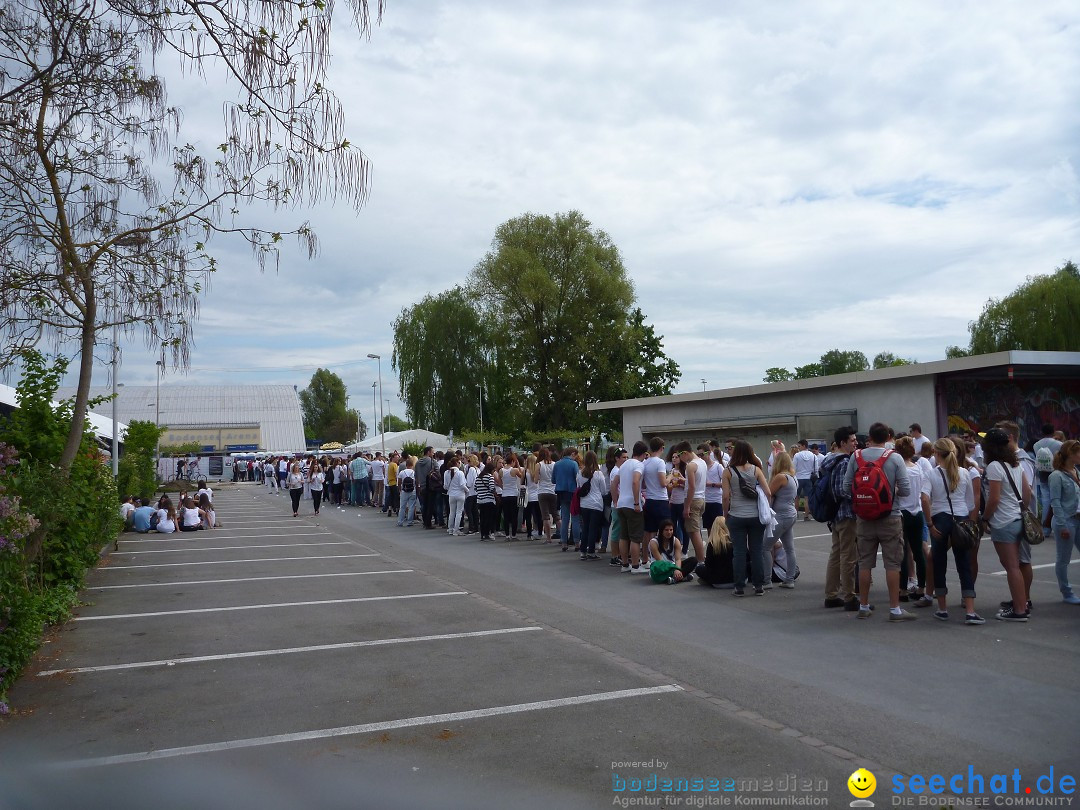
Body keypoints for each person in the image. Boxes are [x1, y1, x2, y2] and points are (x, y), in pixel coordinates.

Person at [842, 421, 915, 621]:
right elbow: (906, 490)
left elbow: (846, 487)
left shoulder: (856, 457)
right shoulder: (895, 458)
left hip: (864, 517)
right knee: (892, 564)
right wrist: (891, 493)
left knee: (865, 562)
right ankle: (894, 609)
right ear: (888, 438)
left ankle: (863, 606)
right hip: (890, 516)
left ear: (869, 438)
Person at [922, 439, 982, 624]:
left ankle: (942, 608)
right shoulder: (964, 473)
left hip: (940, 519)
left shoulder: (932, 474)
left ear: (936, 453)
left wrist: (929, 523)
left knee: (939, 563)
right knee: (964, 564)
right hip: (961, 518)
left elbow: (924, 498)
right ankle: (970, 610)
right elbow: (971, 502)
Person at [980, 428, 1033, 622]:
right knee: (1016, 565)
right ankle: (1022, 603)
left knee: (1011, 567)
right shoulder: (1015, 464)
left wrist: (985, 517)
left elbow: (993, 499)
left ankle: (1019, 609)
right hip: (1018, 518)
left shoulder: (994, 466)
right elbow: (1027, 492)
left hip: (1003, 521)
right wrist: (1022, 510)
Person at [723, 439, 771, 596]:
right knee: (756, 551)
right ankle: (758, 585)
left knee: (739, 552)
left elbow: (725, 497)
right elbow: (768, 492)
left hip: (736, 515)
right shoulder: (756, 470)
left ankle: (739, 586)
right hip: (756, 516)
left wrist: (725, 514)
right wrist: (766, 507)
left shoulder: (728, 471)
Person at [894, 437, 931, 605]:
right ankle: (922, 587)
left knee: (901, 552)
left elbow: (898, 490)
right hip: (917, 511)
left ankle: (902, 589)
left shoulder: (899, 469)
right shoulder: (917, 468)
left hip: (902, 511)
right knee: (918, 552)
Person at [1049, 440, 1080, 604]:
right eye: (1079, 453)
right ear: (1071, 454)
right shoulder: (1056, 476)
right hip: (1066, 520)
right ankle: (1066, 592)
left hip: (1078, 519)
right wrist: (1061, 525)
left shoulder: (1076, 471)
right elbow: (1055, 502)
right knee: (1063, 559)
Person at [615, 441, 649, 574]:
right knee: (635, 537)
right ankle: (635, 566)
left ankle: (625, 564)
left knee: (624, 536)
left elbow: (614, 484)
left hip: (621, 503)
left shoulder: (623, 465)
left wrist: (616, 501)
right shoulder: (639, 465)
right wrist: (636, 502)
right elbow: (636, 481)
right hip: (632, 504)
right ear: (644, 453)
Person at [768, 451, 799, 589]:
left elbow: (768, 492)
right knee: (789, 548)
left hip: (781, 515)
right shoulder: (793, 477)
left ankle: (766, 580)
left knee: (765, 547)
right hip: (791, 513)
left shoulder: (780, 477)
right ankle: (789, 578)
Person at [576, 451, 608, 560]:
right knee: (593, 528)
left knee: (585, 527)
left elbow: (579, 486)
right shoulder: (598, 474)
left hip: (584, 503)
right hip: (596, 504)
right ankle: (591, 551)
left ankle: (583, 551)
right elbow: (603, 491)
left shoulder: (580, 473)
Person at [1034, 424, 1063, 538]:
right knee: (1057, 500)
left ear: (1042, 432)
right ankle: (1056, 526)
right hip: (1056, 473)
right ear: (1053, 432)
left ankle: (1045, 527)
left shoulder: (1036, 444)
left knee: (1046, 500)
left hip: (1042, 474)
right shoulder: (1059, 444)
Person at [554, 447, 581, 550]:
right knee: (575, 518)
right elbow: (577, 478)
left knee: (564, 518)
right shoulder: (574, 464)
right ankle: (577, 542)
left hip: (561, 492)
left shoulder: (557, 464)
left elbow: (553, 479)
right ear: (573, 454)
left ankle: (564, 542)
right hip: (572, 492)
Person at [500, 453, 525, 541]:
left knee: (506, 515)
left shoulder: (501, 471)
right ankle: (513, 535)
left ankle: (507, 535)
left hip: (505, 494)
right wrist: (518, 466)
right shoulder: (514, 470)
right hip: (514, 494)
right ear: (513, 461)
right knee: (514, 515)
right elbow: (522, 477)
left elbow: (500, 481)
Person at [792, 440, 816, 521]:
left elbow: (793, 467)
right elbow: (815, 469)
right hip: (808, 478)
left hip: (798, 477)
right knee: (807, 498)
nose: (798, 448)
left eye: (799, 446)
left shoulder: (797, 455)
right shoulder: (813, 456)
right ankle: (806, 515)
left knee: (796, 497)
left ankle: (795, 515)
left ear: (803, 446)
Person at [537, 447, 558, 543]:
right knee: (556, 515)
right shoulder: (554, 464)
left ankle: (548, 538)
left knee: (545, 516)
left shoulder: (539, 465)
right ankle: (563, 536)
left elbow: (535, 479)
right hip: (553, 491)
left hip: (542, 491)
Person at [444, 456, 468, 536]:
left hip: (451, 494)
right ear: (457, 463)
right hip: (460, 494)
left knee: (452, 512)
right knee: (459, 513)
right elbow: (462, 485)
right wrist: (467, 491)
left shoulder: (446, 473)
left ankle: (450, 529)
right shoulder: (460, 473)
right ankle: (456, 529)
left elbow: (445, 486)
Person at [475, 462, 498, 541]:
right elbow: (492, 488)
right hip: (489, 500)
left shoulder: (478, 477)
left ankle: (483, 535)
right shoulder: (490, 477)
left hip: (480, 500)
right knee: (489, 518)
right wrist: (495, 493)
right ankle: (488, 534)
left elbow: (475, 488)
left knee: (482, 517)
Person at [414, 447, 435, 529]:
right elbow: (436, 471)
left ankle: (424, 521)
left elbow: (415, 475)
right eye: (432, 452)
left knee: (424, 505)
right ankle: (428, 523)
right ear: (428, 452)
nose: (433, 454)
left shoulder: (418, 462)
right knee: (430, 505)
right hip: (430, 485)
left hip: (421, 486)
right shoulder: (432, 462)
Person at [396, 457, 418, 526]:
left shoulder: (402, 472)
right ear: (412, 465)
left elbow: (399, 482)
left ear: (406, 465)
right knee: (411, 506)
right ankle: (410, 521)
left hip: (404, 491)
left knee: (402, 507)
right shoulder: (414, 472)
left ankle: (400, 521)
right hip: (412, 491)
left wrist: (400, 489)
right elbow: (417, 482)